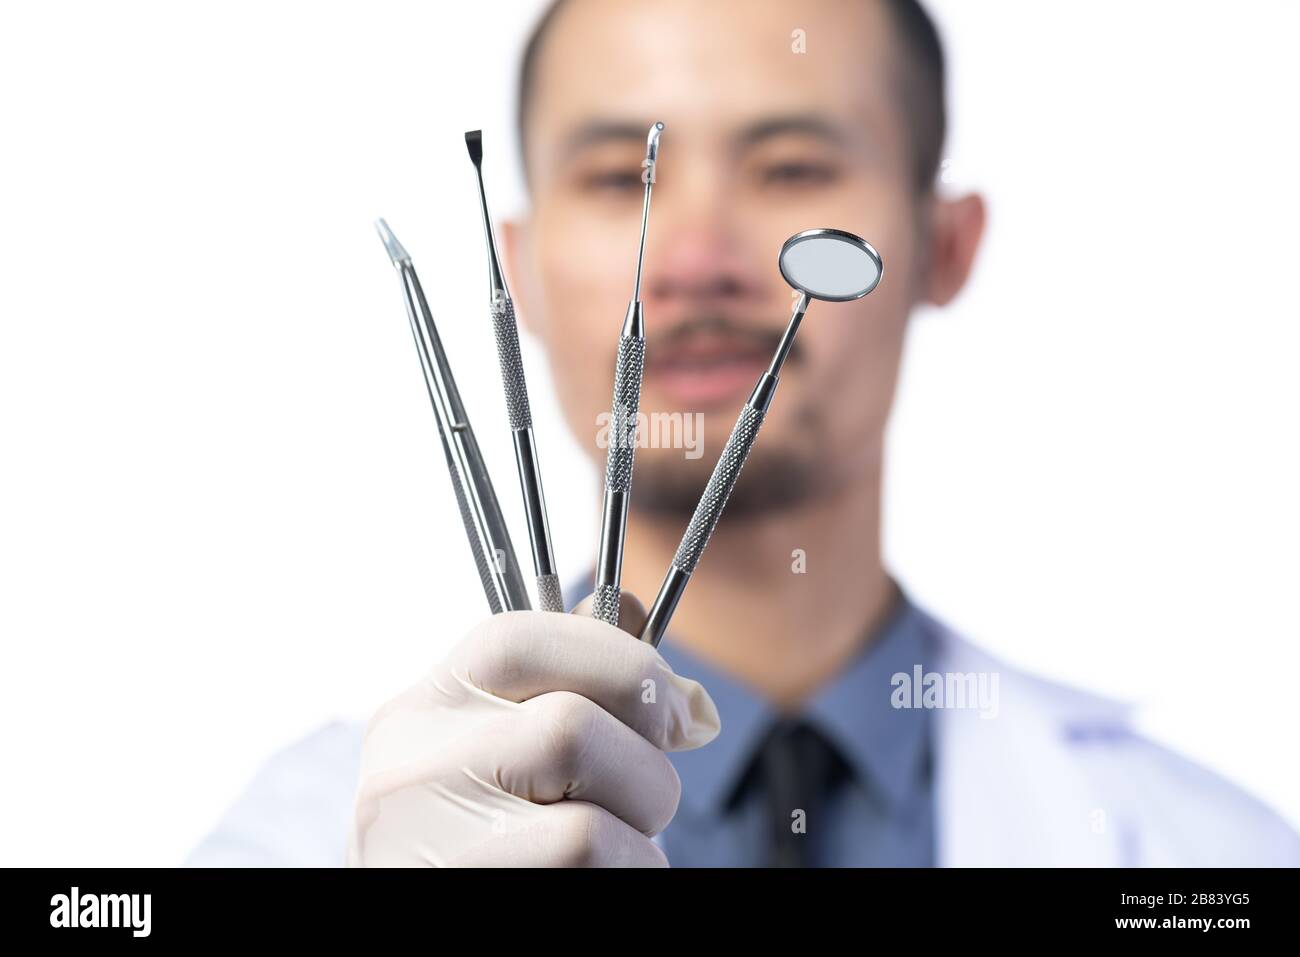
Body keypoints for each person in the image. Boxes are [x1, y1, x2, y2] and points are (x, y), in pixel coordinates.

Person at [188, 0, 1300, 867]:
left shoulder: (1218, 858)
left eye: (791, 169)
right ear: (518, 270)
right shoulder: (304, 840)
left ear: (943, 245)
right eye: (620, 178)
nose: (693, 257)